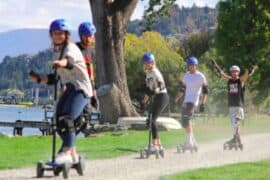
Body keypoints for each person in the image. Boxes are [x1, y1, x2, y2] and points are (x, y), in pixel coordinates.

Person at [29, 19, 93, 164]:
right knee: (58, 121)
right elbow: (54, 78)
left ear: (66, 34)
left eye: (61, 33)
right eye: (55, 33)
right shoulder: (56, 52)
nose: (57, 36)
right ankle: (73, 153)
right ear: (51, 35)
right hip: (70, 88)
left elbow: (69, 63)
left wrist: (60, 63)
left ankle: (66, 152)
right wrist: (39, 79)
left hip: (81, 88)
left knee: (67, 118)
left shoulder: (71, 48)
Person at [174, 56, 208, 150]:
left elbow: (205, 92)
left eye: (193, 65)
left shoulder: (200, 76)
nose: (191, 67)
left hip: (194, 101)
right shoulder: (186, 75)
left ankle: (189, 142)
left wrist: (203, 103)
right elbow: (182, 89)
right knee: (184, 121)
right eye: (190, 66)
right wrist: (176, 99)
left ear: (196, 66)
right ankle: (192, 142)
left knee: (186, 118)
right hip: (186, 100)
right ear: (188, 66)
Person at [219, 63, 256, 148]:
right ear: (231, 73)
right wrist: (221, 72)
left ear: (238, 73)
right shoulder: (229, 81)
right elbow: (225, 76)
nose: (234, 73)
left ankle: (235, 139)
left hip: (239, 106)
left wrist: (248, 71)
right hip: (231, 106)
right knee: (233, 125)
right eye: (232, 72)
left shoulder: (240, 81)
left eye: (236, 72)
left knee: (237, 122)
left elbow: (245, 77)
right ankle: (237, 140)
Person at [141, 53, 169, 150]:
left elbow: (162, 85)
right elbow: (148, 92)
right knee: (150, 120)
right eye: (144, 63)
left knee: (152, 120)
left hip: (162, 96)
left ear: (152, 63)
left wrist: (155, 90)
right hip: (157, 97)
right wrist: (143, 102)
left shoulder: (155, 72)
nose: (145, 65)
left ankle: (154, 145)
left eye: (147, 63)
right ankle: (158, 144)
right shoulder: (148, 74)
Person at [76, 22, 96, 93]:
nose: (88, 39)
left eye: (90, 36)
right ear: (81, 36)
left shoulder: (91, 50)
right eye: (85, 36)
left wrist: (93, 88)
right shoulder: (75, 49)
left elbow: (90, 69)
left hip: (87, 86)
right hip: (76, 85)